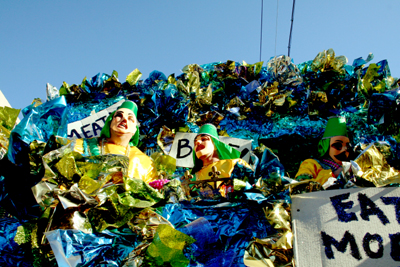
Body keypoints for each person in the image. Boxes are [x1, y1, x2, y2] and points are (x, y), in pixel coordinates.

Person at [71, 100, 157, 183]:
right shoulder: (81, 144)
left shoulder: (145, 162)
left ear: (135, 130)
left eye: (130, 119)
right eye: (119, 115)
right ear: (110, 121)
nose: (124, 119)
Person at [191, 124, 254, 194]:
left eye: (204, 139)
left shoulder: (235, 164)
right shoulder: (192, 177)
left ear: (215, 144)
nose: (197, 142)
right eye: (195, 142)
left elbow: (252, 187)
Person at [295, 116, 352, 187]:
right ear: (326, 146)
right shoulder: (311, 164)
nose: (344, 150)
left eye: (347, 147)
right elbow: (300, 186)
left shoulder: (354, 169)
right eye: (338, 145)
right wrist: (334, 174)